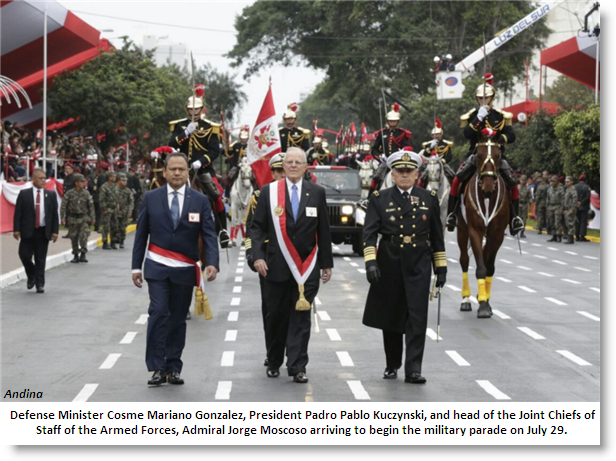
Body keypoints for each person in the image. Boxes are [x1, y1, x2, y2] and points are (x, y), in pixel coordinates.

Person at [131, 152, 219, 386]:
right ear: (165, 172)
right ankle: (157, 367)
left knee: (178, 319)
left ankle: (173, 367)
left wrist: (211, 262)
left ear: (188, 172)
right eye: (173, 169)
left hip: (184, 269)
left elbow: (208, 234)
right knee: (159, 313)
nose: (178, 173)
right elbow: (141, 235)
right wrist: (135, 267)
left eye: (182, 169)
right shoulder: (151, 197)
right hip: (157, 268)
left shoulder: (199, 200)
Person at [362, 148, 446, 384]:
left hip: (419, 262)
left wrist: (441, 268)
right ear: (393, 173)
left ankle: (414, 369)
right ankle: (392, 364)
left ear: (417, 173)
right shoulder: (380, 198)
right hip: (389, 262)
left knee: (417, 317)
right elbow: (369, 235)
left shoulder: (429, 198)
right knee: (391, 315)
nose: (405, 175)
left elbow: (437, 236)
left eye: (410, 171)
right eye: (400, 171)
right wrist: (370, 262)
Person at [250, 147, 333, 383]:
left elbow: (323, 230)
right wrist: (258, 256)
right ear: (283, 166)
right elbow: (257, 227)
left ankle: (297, 366)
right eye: (290, 162)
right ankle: (274, 360)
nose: (294, 166)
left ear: (306, 167)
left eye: (299, 162)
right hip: (275, 265)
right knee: (275, 316)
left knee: (301, 317)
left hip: (306, 268)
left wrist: (326, 263)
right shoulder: (269, 192)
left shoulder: (317, 192)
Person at [445, 75, 523, 235]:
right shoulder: (472, 115)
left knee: (512, 182)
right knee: (457, 179)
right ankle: (452, 214)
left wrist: (497, 137)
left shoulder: (501, 116)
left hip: (496, 155)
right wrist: (479, 118)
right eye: (480, 98)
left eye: (486, 97)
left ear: (492, 97)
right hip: (476, 154)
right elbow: (467, 134)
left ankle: (515, 218)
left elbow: (511, 136)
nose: (483, 100)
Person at [169, 84, 229, 247]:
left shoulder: (210, 127)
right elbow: (171, 143)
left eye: (196, 109)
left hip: (202, 169)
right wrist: (186, 133)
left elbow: (214, 151)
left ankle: (223, 231)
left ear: (201, 109)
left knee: (215, 195)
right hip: (181, 168)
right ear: (187, 110)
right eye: (191, 109)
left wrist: (200, 162)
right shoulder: (180, 126)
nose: (193, 112)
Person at [245, 153, 286, 367]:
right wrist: (253, 256)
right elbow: (252, 230)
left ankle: (295, 357)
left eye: (284, 169)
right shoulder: (260, 196)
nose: (281, 174)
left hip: (297, 263)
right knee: (272, 310)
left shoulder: (303, 194)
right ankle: (273, 353)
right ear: (272, 172)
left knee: (297, 311)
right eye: (277, 170)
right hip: (270, 261)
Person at [13, 168, 59, 293]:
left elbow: (54, 215)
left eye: (44, 178)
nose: (43, 180)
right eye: (40, 178)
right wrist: (16, 229)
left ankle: (39, 284)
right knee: (24, 255)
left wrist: (55, 231)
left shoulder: (51, 195)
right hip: (27, 230)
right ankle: (32, 274)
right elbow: (18, 213)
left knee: (40, 259)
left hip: (43, 231)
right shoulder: (24, 194)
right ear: (33, 179)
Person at [370, 103, 412, 191]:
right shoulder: (382, 133)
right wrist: (380, 156)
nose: (392, 123)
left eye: (394, 121)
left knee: (410, 176)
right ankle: (370, 198)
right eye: (390, 121)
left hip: (399, 161)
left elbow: (407, 147)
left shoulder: (402, 133)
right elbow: (374, 149)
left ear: (398, 121)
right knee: (376, 176)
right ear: (388, 121)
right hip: (386, 160)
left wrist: (403, 151)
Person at [60, 174, 95, 263]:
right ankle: (75, 255)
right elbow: (63, 205)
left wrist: (93, 218)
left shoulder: (86, 193)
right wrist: (62, 217)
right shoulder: (69, 193)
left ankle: (83, 254)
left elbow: (91, 206)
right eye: (81, 182)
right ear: (76, 183)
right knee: (73, 237)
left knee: (84, 236)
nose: (83, 183)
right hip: (72, 218)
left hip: (83, 218)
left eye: (84, 182)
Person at [420, 118, 455, 182]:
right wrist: (430, 147)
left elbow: (449, 156)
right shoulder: (429, 144)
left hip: (443, 164)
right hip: (431, 164)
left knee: (452, 175)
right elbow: (425, 154)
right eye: (433, 135)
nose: (435, 136)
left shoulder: (446, 144)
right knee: (422, 178)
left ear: (441, 135)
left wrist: (442, 161)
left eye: (437, 134)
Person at [225, 125, 250, 197]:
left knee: (254, 178)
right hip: (237, 165)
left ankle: (255, 193)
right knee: (230, 176)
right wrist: (228, 147)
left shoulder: (250, 146)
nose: (244, 140)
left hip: (247, 166)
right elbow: (228, 154)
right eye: (242, 138)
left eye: (245, 138)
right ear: (240, 138)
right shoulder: (236, 145)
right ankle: (227, 195)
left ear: (248, 138)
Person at [99, 171, 119, 250]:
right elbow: (101, 199)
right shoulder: (104, 187)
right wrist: (104, 209)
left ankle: (113, 242)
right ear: (109, 178)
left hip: (114, 209)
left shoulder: (115, 186)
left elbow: (117, 196)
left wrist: (117, 204)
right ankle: (105, 242)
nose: (114, 178)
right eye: (112, 176)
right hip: (107, 209)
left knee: (114, 226)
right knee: (106, 226)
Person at [116, 173, 135, 249]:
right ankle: (114, 240)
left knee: (123, 227)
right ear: (119, 181)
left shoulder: (128, 191)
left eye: (125, 181)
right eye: (123, 180)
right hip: (116, 212)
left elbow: (131, 201)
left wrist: (130, 211)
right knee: (115, 226)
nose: (125, 182)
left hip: (124, 212)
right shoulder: (115, 189)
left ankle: (121, 241)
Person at [546, 175, 565, 243]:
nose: (552, 183)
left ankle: (559, 236)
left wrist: (562, 208)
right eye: (551, 181)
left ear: (557, 182)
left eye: (554, 181)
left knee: (557, 222)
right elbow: (547, 199)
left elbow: (563, 199)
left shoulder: (560, 189)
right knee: (551, 222)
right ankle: (554, 236)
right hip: (551, 206)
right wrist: (547, 208)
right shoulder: (549, 189)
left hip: (558, 206)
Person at [574, 174, 592, 241]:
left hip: (576, 206)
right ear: (585, 180)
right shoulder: (587, 187)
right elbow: (587, 197)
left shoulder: (575, 186)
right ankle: (582, 236)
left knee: (577, 221)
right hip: (584, 207)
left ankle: (577, 235)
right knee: (583, 221)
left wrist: (576, 202)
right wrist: (581, 202)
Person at [563, 176, 578, 244]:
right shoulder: (567, 189)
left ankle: (571, 238)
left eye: (568, 182)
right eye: (565, 182)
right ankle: (569, 237)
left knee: (571, 223)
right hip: (567, 208)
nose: (566, 183)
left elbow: (575, 200)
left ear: (571, 182)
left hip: (571, 209)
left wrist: (572, 209)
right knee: (568, 223)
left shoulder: (572, 190)